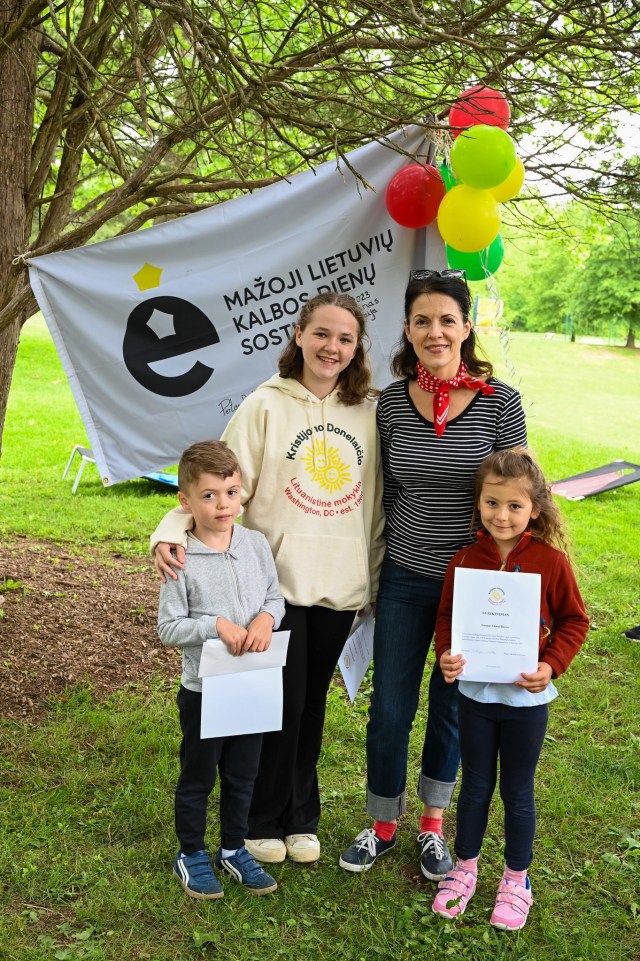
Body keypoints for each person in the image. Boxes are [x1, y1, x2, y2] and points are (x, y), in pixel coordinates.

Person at [152, 292, 385, 865]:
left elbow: (377, 503)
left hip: (341, 584)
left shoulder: (369, 412)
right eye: (321, 333)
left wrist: (373, 580)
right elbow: (217, 483)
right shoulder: (264, 405)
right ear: (299, 335)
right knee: (277, 705)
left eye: (345, 338)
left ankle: (302, 818)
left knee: (312, 707)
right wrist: (168, 528)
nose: (332, 347)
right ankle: (260, 819)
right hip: (272, 588)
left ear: (357, 348)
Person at [340, 268, 527, 879]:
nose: (435, 331)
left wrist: (519, 584)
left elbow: (520, 495)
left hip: (472, 586)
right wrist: (369, 572)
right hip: (405, 575)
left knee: (451, 706)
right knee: (390, 708)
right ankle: (381, 824)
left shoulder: (501, 403)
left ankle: (431, 826)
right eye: (422, 320)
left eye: (447, 320)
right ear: (407, 328)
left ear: (467, 327)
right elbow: (380, 492)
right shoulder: (391, 404)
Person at [431, 447, 589, 930]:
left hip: (526, 701)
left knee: (518, 790)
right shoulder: (465, 559)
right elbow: (447, 617)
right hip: (475, 699)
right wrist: (446, 653)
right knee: (476, 785)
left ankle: (517, 879)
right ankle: (465, 868)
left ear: (534, 509)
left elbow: (575, 621)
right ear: (478, 503)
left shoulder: (550, 562)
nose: (502, 515)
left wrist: (551, 665)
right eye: (492, 503)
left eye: (514, 506)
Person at [157, 440, 285, 899]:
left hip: (252, 684)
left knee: (243, 774)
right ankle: (190, 852)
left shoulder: (255, 545)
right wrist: (216, 626)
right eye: (209, 495)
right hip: (204, 689)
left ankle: (233, 848)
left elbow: (274, 597)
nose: (223, 504)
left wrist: (267, 618)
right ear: (185, 501)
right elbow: (168, 628)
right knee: (199, 775)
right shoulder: (178, 557)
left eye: (231, 492)